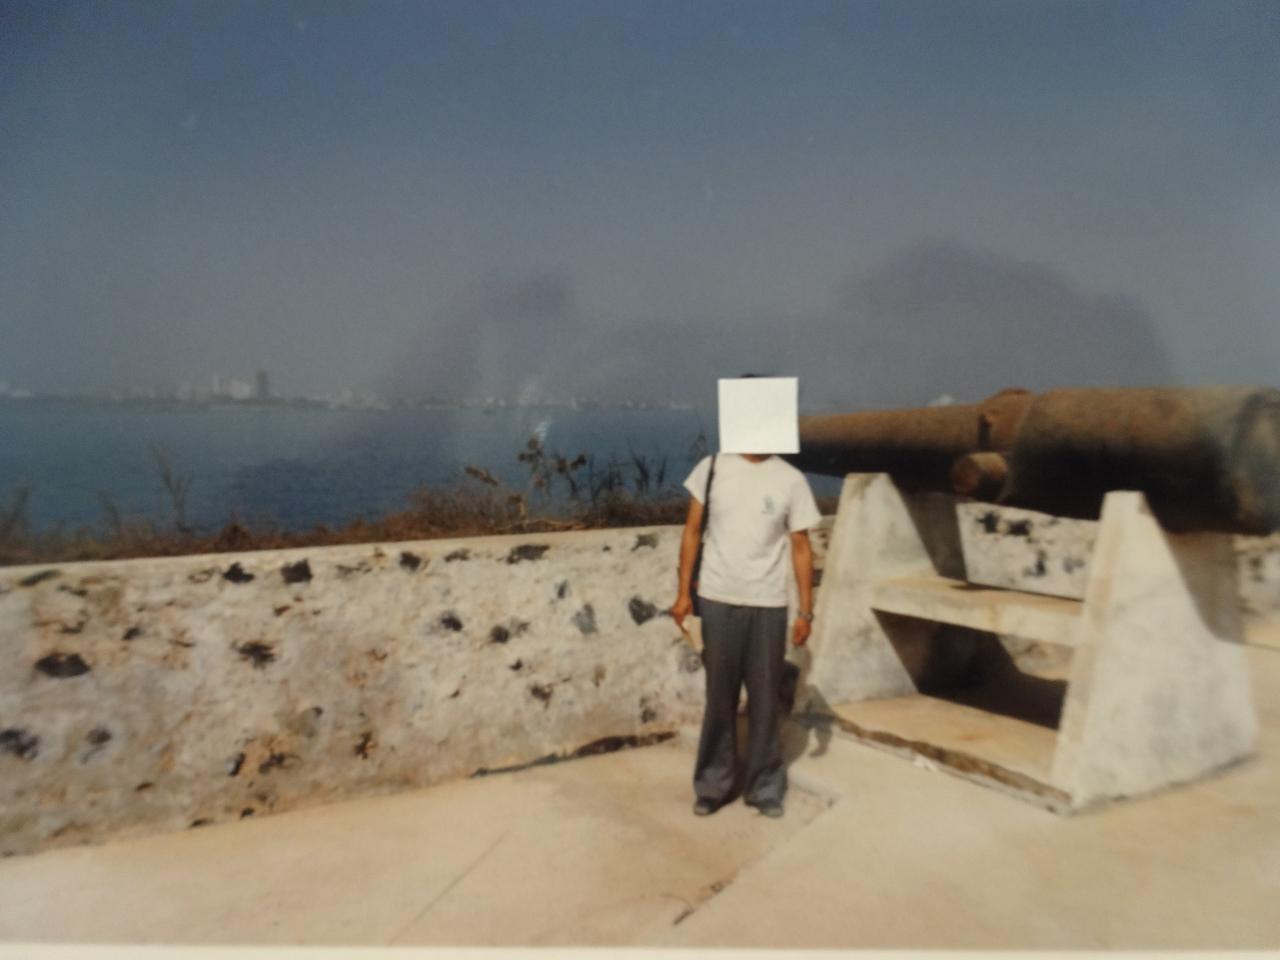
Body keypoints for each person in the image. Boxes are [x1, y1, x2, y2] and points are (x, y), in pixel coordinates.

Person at [670, 449, 822, 818]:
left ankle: (764, 788)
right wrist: (683, 593)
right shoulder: (712, 467)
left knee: (765, 700)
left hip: (768, 604)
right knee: (719, 698)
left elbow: (801, 547)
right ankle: (712, 786)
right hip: (716, 600)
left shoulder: (791, 479)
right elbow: (692, 531)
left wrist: (805, 611)